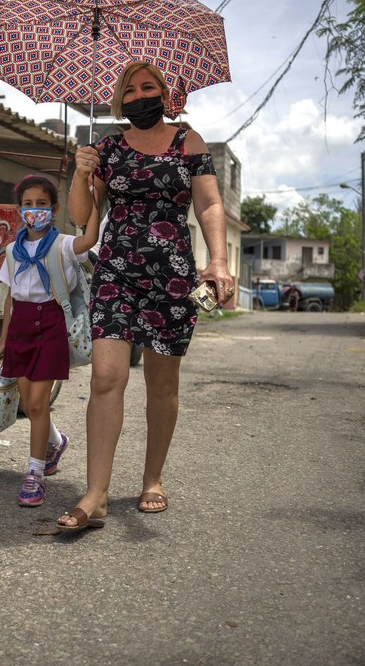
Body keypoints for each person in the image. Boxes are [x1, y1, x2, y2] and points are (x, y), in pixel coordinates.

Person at [56, 60, 236, 531]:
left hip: (172, 278)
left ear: (165, 93)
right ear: (119, 101)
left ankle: (152, 478)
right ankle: (95, 494)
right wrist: (81, 175)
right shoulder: (107, 148)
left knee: (161, 383)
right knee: (106, 378)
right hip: (116, 273)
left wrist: (218, 261)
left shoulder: (187, 141)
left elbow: (210, 202)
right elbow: (83, 219)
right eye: (130, 91)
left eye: (148, 87)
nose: (139, 96)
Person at [0, 173, 100, 507]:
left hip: (52, 323)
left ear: (53, 208)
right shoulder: (12, 251)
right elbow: (11, 297)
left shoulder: (64, 245)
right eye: (28, 204)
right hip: (21, 327)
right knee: (28, 405)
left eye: (41, 204)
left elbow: (90, 239)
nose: (34, 210)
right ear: (20, 210)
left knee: (39, 404)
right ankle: (56, 441)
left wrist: (94, 199)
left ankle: (34, 474)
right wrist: (2, 339)